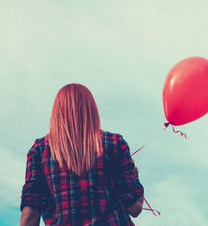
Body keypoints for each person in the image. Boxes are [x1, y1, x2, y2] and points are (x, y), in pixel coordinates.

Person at [20, 83, 144, 226]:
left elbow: (30, 215)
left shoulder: (39, 151)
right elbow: (135, 208)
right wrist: (134, 176)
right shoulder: (114, 143)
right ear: (92, 111)